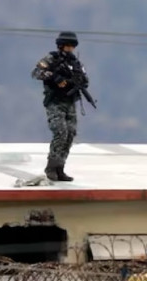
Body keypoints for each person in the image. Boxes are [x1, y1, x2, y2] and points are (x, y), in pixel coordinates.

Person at [31, 31, 91, 182]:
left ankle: (60, 168)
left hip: (69, 102)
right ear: (61, 45)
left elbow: (85, 80)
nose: (70, 49)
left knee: (70, 134)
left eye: (72, 46)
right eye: (67, 46)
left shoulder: (76, 64)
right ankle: (51, 167)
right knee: (60, 132)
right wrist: (54, 77)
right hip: (55, 102)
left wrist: (79, 82)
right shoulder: (52, 59)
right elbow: (37, 72)